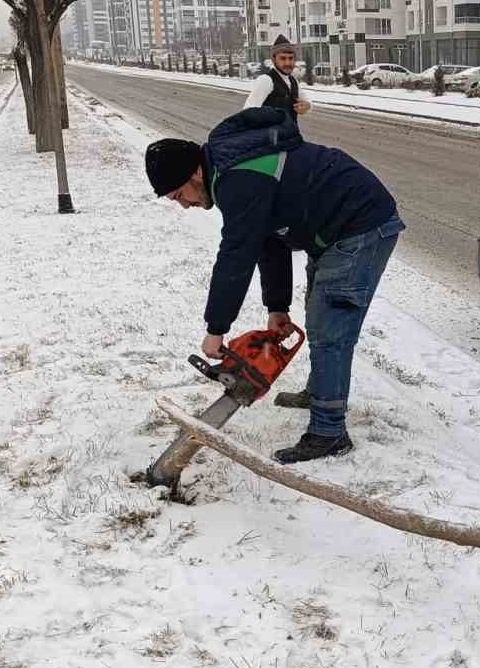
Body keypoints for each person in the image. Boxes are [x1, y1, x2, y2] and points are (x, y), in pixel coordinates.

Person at [144, 36, 403, 464]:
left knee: (330, 326)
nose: (185, 205)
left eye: (179, 195)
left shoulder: (236, 178)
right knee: (318, 314)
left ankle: (328, 431)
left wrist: (216, 328)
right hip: (330, 227)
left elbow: (238, 253)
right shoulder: (232, 171)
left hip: (361, 223)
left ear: (193, 173)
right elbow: (268, 241)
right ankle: (323, 391)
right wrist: (276, 308)